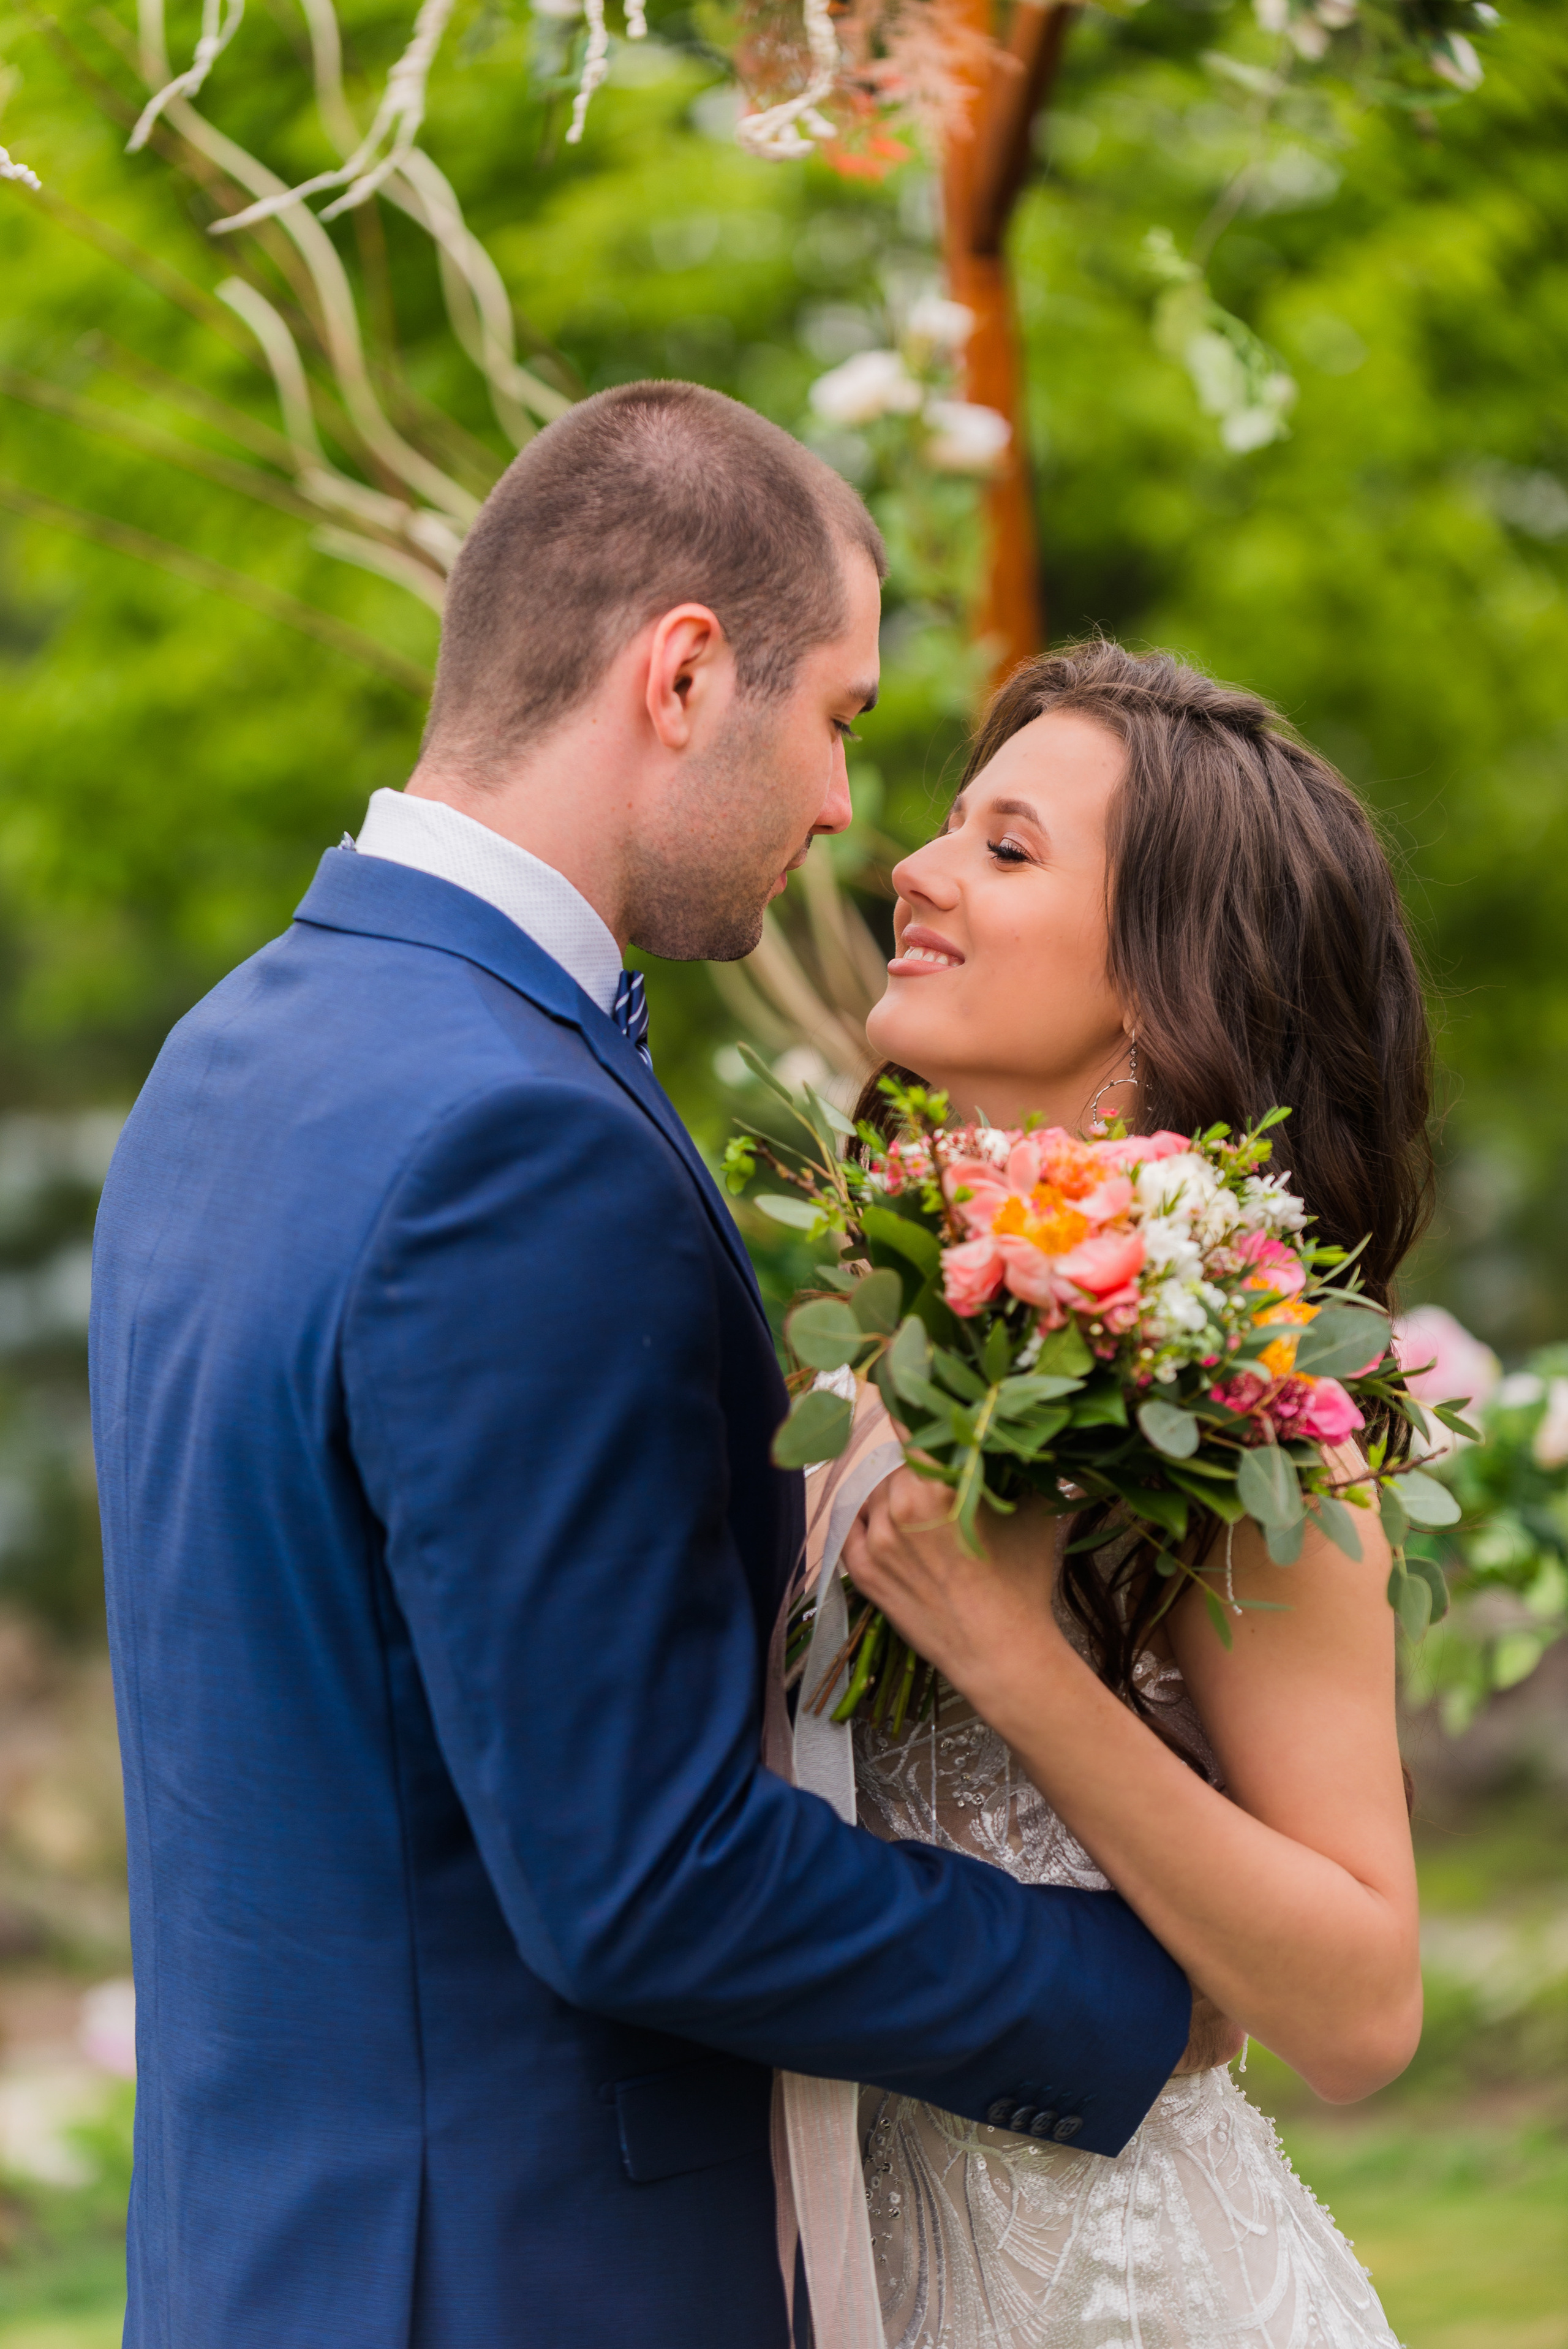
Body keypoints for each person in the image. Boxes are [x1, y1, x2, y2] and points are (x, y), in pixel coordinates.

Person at [88, 389, 1191, 2349]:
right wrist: (1137, 1990)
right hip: (517, 2285)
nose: (847, 807)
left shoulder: (230, 1054)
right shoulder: (515, 1137)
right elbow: (647, 1875)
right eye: (839, 716)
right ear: (682, 675)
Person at [819, 639, 1431, 2347]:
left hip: (1126, 2296)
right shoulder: (872, 1329)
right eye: (952, 825)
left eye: (1006, 849)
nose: (914, 869)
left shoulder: (1252, 1408)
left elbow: (1363, 2007)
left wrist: (1017, 1661)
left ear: (1163, 986)